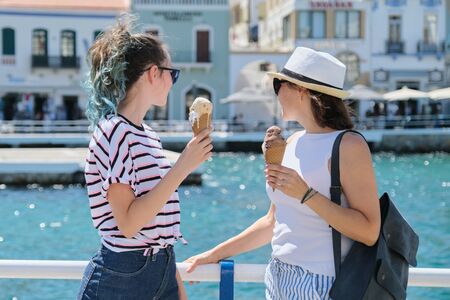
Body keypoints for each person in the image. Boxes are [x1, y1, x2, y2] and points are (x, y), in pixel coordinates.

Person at [185, 47, 381, 299]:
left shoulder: (348, 145)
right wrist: (212, 255)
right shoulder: (292, 142)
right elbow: (273, 222)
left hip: (324, 284)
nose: (275, 92)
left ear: (302, 91)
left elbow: (369, 230)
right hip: (277, 277)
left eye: (279, 84)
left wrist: (306, 194)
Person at [78, 16, 213, 300]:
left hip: (160, 267)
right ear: (154, 73)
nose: (173, 82)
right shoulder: (115, 132)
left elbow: (158, 226)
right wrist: (183, 166)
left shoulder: (147, 134)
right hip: (123, 276)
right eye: (172, 74)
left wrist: (176, 286)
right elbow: (128, 225)